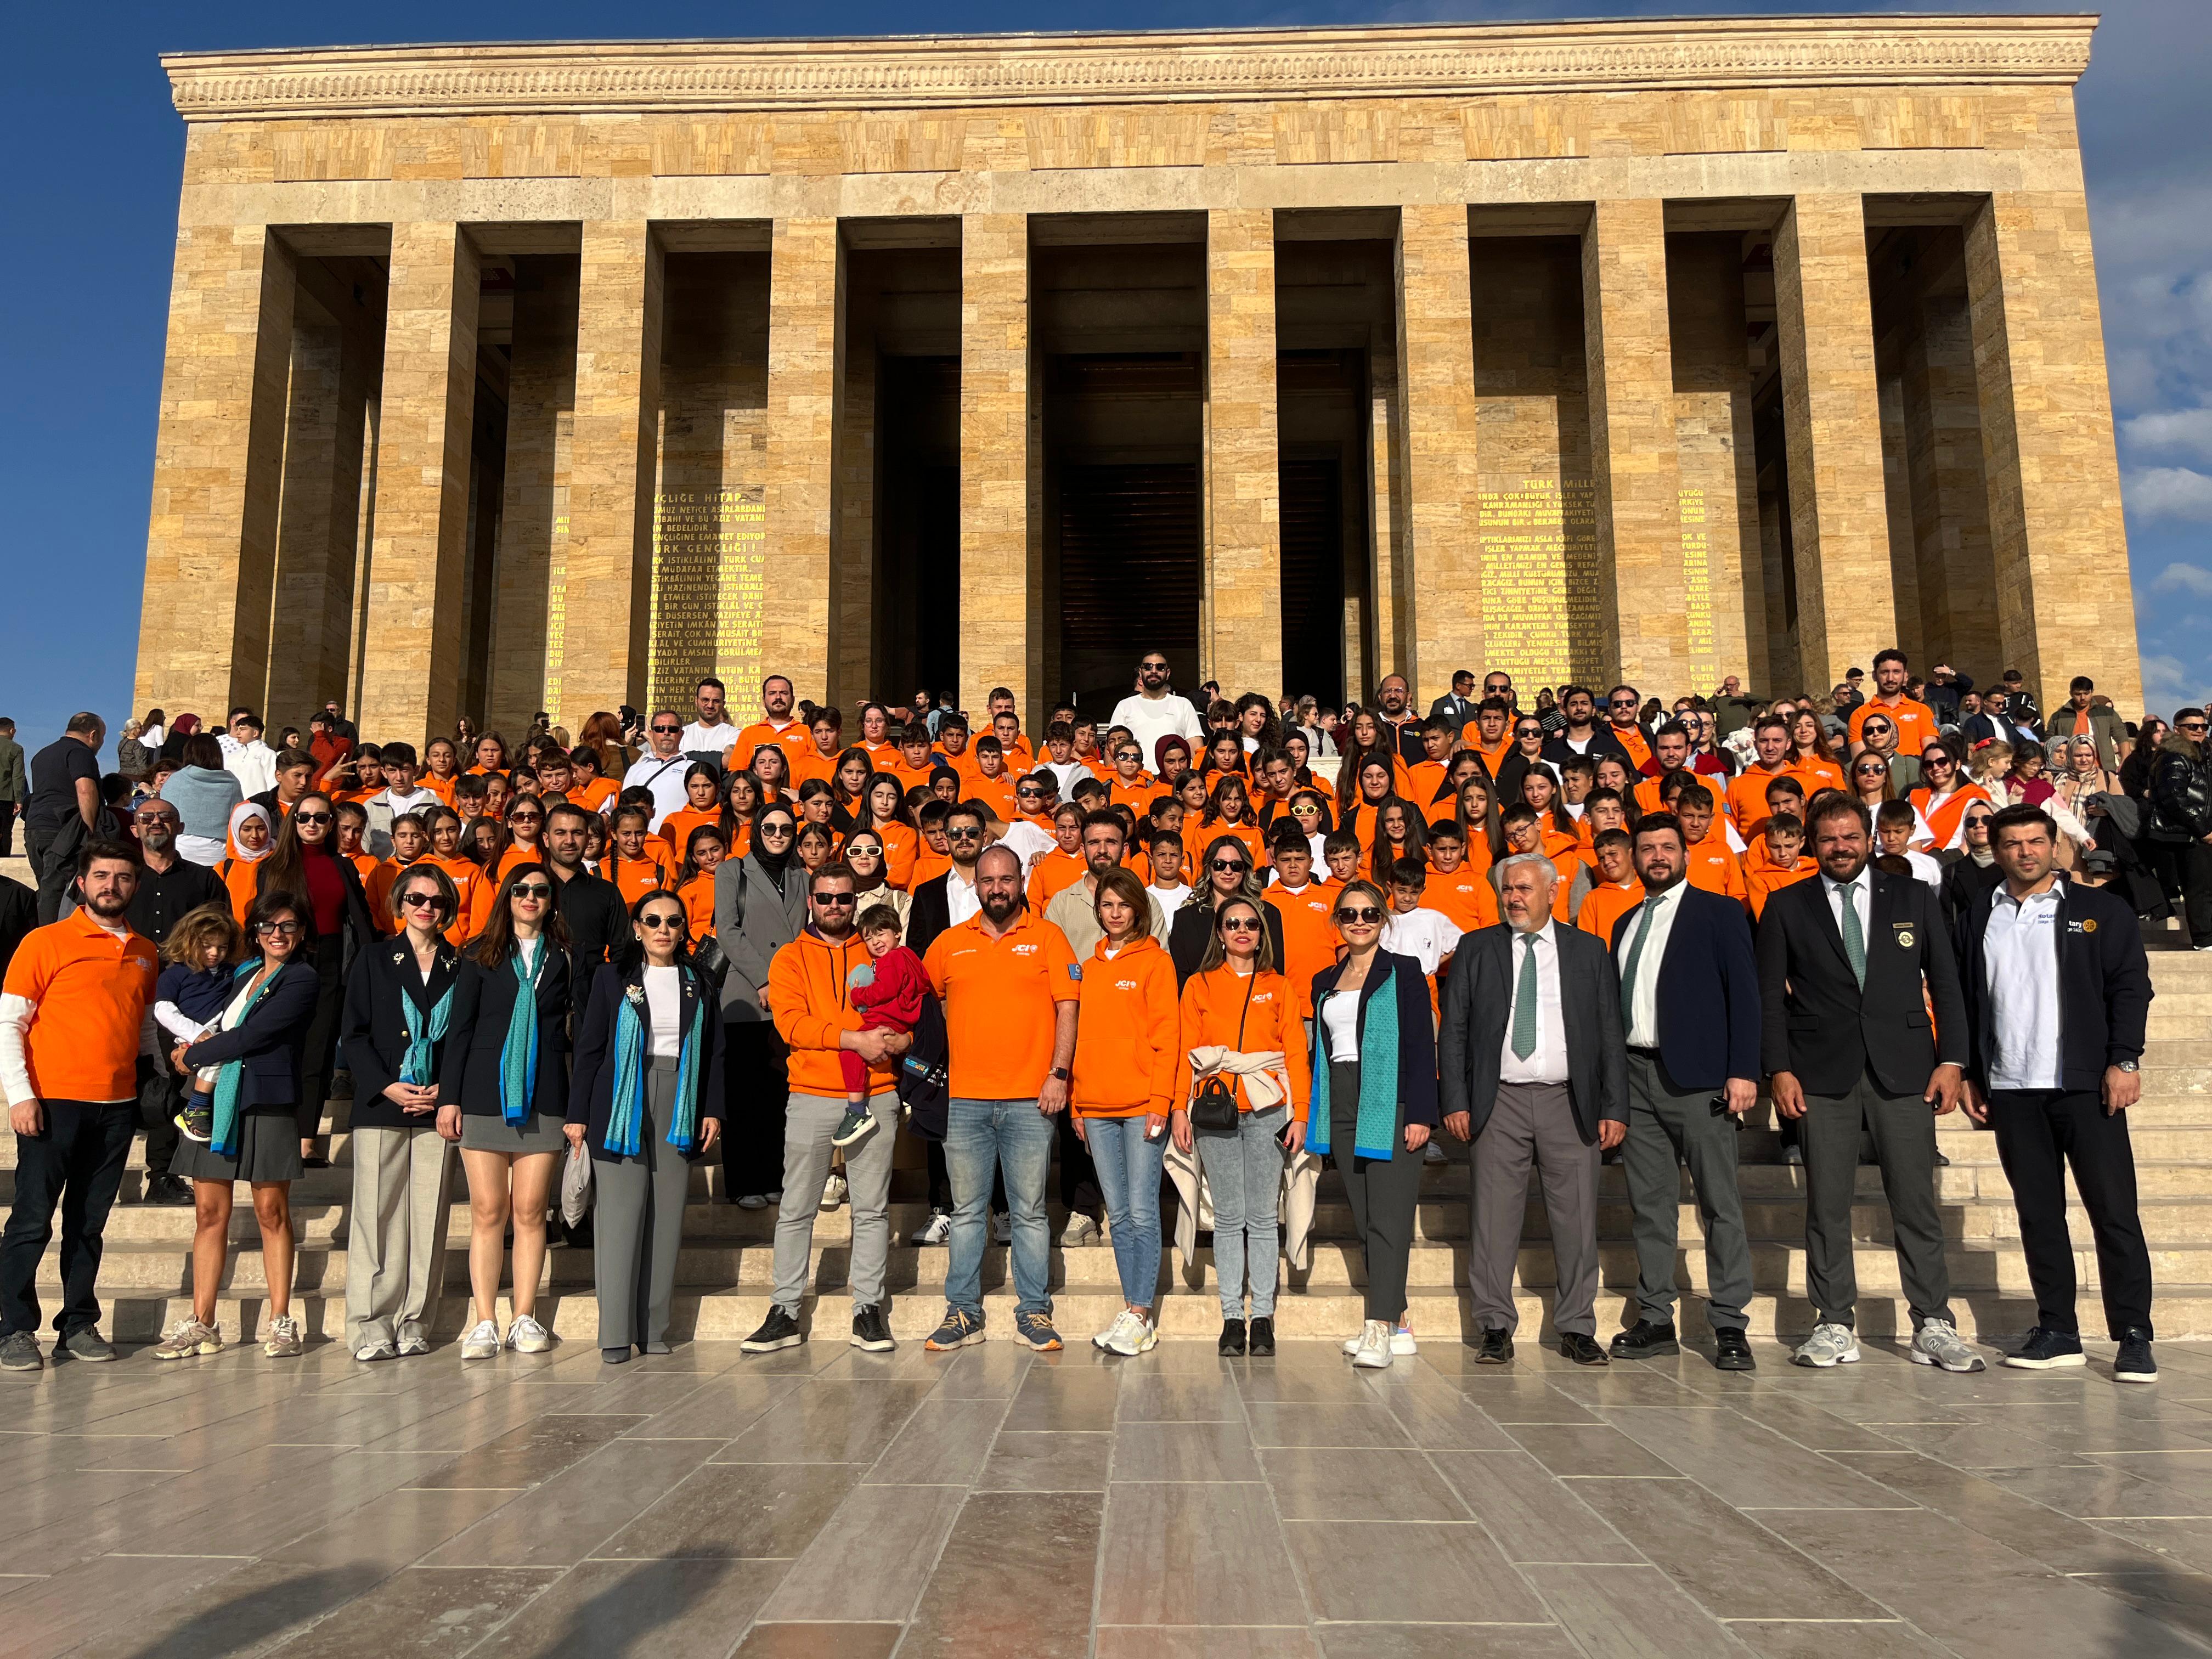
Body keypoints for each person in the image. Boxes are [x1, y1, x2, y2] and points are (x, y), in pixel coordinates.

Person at [1757, 794, 1982, 1373]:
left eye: (1851, 836)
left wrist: (1953, 1060)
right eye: (1829, 838)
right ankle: (1834, 1322)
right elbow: (1769, 998)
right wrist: (1779, 1069)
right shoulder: (1786, 904)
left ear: (1869, 837)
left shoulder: (1913, 896)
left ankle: (1932, 1323)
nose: (1841, 847)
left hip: (1904, 1069)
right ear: (1813, 844)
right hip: (1819, 1073)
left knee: (1915, 1202)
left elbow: (1947, 982)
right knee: (1826, 1205)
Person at [1959, 806, 2157, 1381]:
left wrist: (2124, 1059)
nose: (2026, 852)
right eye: (2013, 843)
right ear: (1997, 851)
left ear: (2055, 846)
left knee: (2114, 1212)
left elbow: (2131, 988)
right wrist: (1971, 1072)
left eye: (2036, 841)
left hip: (2085, 1085)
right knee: (2038, 1215)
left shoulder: (2100, 910)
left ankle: (2134, 1334)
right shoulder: (1979, 915)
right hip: (2013, 1087)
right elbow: (1968, 999)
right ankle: (2058, 1330)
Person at [1439, 851, 1626, 1366]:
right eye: (1507, 889)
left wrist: (1615, 1106)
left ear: (1553, 892)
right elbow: (1454, 1029)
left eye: (1523, 889)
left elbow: (1610, 1033)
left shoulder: (1588, 950)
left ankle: (1577, 1326)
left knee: (1577, 1221)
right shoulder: (1477, 947)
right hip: (1498, 1101)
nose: (1514, 898)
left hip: (1570, 1102)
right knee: (1493, 1221)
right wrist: (1455, 1099)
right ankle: (1494, 1326)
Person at [1606, 814, 1760, 1371]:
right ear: (1635, 857)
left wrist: (1744, 1070)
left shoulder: (1719, 912)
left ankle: (1730, 1322)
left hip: (1700, 1082)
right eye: (1647, 848)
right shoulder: (1624, 923)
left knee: (1719, 1202)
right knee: (1650, 1206)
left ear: (1685, 853)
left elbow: (1745, 994)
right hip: (1635, 1076)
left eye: (1667, 847)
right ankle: (1655, 1317)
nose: (1657, 857)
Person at [0, 843, 159, 1369]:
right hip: (52, 1103)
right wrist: (21, 1096)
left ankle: (78, 1324)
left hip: (116, 1105)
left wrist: (167, 1072)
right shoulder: (44, 942)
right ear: (83, 883)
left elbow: (144, 1029)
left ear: (135, 885)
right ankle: (14, 1328)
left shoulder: (145, 950)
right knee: (31, 1220)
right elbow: (10, 1023)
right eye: (102, 876)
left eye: (123, 877)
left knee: (88, 1223)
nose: (112, 885)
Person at [743, 867, 912, 1356]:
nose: (834, 905)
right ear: (811, 901)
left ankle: (868, 1309)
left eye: (843, 898)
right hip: (811, 1094)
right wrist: (852, 1039)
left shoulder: (880, 952)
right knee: (797, 1208)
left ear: (856, 901)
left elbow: (909, 1008)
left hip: (876, 1090)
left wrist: (903, 1040)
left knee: (872, 1209)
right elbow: (792, 1024)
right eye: (825, 898)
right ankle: (785, 1310)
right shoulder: (790, 957)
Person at [920, 844, 1079, 1353]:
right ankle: (963, 1313)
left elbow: (1069, 1008)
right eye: (988, 880)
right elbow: (921, 1005)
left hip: (1031, 1100)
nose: (997, 889)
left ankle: (1033, 1311)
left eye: (1006, 879)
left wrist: (1059, 1074)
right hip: (963, 1100)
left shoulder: (1049, 937)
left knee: (1029, 1212)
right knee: (968, 1212)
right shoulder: (950, 943)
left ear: (1021, 883)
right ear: (977, 885)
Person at [153, 888, 320, 1362]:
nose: (277, 934)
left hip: (266, 1099)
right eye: (268, 925)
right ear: (256, 931)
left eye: (288, 925)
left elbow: (253, 1034)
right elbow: (209, 1019)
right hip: (214, 1097)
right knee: (209, 1214)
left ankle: (281, 1319)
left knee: (271, 1212)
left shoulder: (302, 978)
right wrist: (188, 1048)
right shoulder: (242, 972)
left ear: (301, 931)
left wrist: (194, 1056)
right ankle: (203, 1322)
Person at [569, 891, 725, 1362]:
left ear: (683, 929)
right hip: (620, 1099)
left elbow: (715, 1051)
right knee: (620, 1218)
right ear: (636, 928)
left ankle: (653, 1328)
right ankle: (616, 1332)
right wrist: (577, 1115)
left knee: (667, 1217)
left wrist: (712, 1109)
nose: (663, 929)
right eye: (653, 920)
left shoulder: (700, 980)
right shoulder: (611, 977)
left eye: (673, 921)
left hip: (681, 1097)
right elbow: (590, 1048)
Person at [443, 866, 581, 1359]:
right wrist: (450, 1097)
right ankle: (484, 1321)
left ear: (551, 901)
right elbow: (460, 1028)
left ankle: (525, 1316)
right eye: (521, 890)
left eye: (541, 891)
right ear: (507, 896)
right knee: (487, 1210)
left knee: (529, 1210)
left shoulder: (565, 957)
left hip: (545, 1095)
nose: (530, 897)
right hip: (484, 1092)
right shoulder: (478, 954)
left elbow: (576, 1030)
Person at [1175, 893, 1310, 1356]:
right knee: (1230, 1217)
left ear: (1261, 932)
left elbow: (1296, 1052)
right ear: (1219, 932)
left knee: (1263, 1217)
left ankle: (1264, 1316)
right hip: (1215, 1106)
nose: (1242, 931)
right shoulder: (1199, 985)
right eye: (1232, 923)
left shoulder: (1280, 985)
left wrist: (1302, 1113)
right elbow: (1185, 1051)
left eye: (1250, 924)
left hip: (1268, 1107)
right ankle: (1233, 1317)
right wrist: (1178, 1108)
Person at [1310, 879, 1436, 1368]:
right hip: (1341, 1097)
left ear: (1383, 919)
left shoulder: (1405, 971)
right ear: (1336, 922)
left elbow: (1422, 1045)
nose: (1359, 922)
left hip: (1390, 1099)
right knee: (1366, 1219)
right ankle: (1398, 1321)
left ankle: (1379, 1325)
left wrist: (1421, 1113)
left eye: (1368, 913)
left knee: (1389, 1218)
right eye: (1349, 914)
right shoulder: (1324, 979)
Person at [340, 864, 464, 1361]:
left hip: (436, 1105)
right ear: (399, 904)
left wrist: (446, 1090)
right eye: (416, 899)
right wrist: (388, 1086)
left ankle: (414, 1321)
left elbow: (465, 1037)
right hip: (383, 1102)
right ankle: (370, 1325)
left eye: (436, 901)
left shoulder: (461, 963)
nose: (426, 908)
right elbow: (354, 1034)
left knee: (428, 1219)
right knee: (377, 1218)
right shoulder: (374, 958)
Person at [255, 791, 375, 1168]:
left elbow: (361, 920)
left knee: (318, 1052)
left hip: (332, 962)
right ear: (293, 821)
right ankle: (274, 1133)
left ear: (331, 825)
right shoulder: (273, 867)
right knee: (281, 1048)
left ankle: (306, 1139)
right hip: (287, 961)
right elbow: (262, 920)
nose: (312, 824)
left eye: (321, 818)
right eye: (304, 817)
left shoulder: (342, 866)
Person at [122, 797, 223, 1205]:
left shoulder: (204, 879)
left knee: (172, 1085)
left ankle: (162, 1175)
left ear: (180, 828)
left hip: (185, 1002)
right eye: (147, 818)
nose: (156, 823)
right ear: (134, 829)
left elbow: (220, 933)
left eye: (165, 818)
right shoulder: (123, 878)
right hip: (125, 993)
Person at [716, 803, 808, 1208]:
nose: (777, 835)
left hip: (791, 999)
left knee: (778, 1095)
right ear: (757, 830)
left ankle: (774, 1176)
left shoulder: (802, 877)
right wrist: (765, 979)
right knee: (744, 1094)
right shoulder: (732, 871)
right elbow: (727, 930)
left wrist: (786, 984)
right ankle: (743, 1181)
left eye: (786, 829)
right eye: (769, 828)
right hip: (747, 997)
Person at [25, 712, 106, 923]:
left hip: (35, 829)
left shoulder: (42, 754)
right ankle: (51, 937)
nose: (102, 743)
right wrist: (91, 831)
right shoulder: (80, 752)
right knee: (58, 892)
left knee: (47, 889)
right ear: (93, 735)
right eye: (102, 737)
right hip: (63, 832)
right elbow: (85, 790)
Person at [543, 802, 627, 966]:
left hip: (592, 982)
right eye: (560, 833)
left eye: (577, 833)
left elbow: (622, 954)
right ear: (546, 839)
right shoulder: (526, 890)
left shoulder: (607, 893)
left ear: (587, 839)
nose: (569, 841)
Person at [1110, 652, 1206, 761]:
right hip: (1136, 772)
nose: (1154, 671)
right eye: (1148, 667)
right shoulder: (1124, 706)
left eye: (1160, 667)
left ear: (1168, 673)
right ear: (1141, 673)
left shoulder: (1183, 705)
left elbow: (1196, 751)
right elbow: (1112, 750)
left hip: (1174, 771)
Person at [624, 711, 694, 832]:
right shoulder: (636, 769)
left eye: (672, 729)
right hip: (642, 840)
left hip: (679, 838)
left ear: (681, 733)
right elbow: (624, 808)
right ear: (651, 734)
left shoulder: (693, 768)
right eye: (660, 729)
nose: (666, 733)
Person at [680, 675, 741, 768]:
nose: (710, 705)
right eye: (705, 700)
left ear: (723, 704)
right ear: (696, 701)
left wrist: (687, 757)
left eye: (716, 701)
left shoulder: (735, 733)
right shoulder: (682, 733)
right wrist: (718, 759)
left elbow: (728, 761)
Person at [0, 717, 22, 861]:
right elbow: (17, 776)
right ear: (12, 730)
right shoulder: (16, 749)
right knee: (6, 831)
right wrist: (19, 800)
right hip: (6, 797)